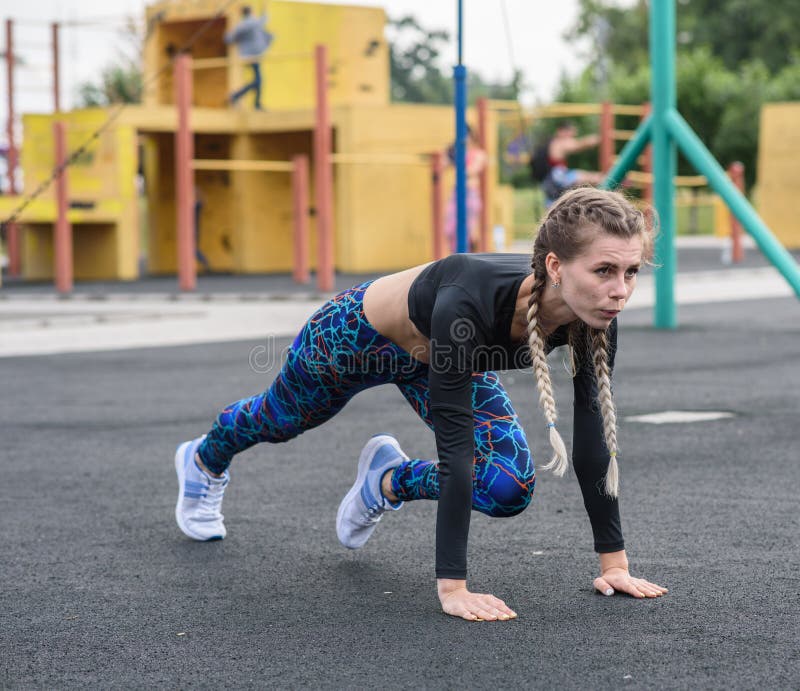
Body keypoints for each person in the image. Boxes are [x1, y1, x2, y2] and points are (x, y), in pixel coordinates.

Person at [174, 187, 668, 622]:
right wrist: (453, 587)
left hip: (446, 356)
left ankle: (387, 480)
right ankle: (204, 459)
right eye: (604, 270)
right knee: (280, 419)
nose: (620, 290)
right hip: (356, 339)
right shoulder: (468, 301)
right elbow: (455, 451)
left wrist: (614, 565)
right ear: (556, 267)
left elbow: (591, 439)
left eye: (629, 272)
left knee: (506, 486)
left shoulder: (595, 314)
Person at [538, 121, 605, 207]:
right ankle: (615, 180)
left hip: (550, 181)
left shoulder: (552, 143)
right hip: (557, 177)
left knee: (555, 208)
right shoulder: (560, 142)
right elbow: (579, 144)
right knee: (594, 178)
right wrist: (600, 138)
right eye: (570, 133)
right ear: (561, 132)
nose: (572, 137)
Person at [443, 126, 487, 253]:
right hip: (457, 194)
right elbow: (443, 165)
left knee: (470, 232)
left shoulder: (478, 154)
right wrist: (449, 154)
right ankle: (455, 255)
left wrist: (455, 159)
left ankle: (470, 257)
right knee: (450, 229)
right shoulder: (456, 153)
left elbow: (471, 170)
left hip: (470, 194)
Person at [224, 5, 273, 110]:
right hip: (253, 56)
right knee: (258, 80)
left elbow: (229, 39)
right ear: (251, 12)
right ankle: (238, 97)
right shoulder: (251, 22)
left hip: (250, 55)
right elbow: (264, 20)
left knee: (258, 79)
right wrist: (266, 9)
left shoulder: (242, 24)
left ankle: (254, 102)